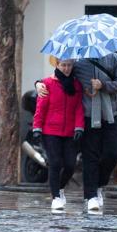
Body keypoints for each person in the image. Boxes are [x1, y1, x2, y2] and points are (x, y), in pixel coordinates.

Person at [36, 53, 117, 211]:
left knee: (112, 154)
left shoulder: (116, 59)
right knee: (90, 156)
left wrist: (104, 85)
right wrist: (38, 84)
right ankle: (91, 196)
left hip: (113, 114)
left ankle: (100, 184)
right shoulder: (78, 63)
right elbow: (60, 76)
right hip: (88, 115)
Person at [32, 57, 84, 210]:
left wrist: (79, 127)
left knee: (70, 165)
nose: (66, 68)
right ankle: (55, 197)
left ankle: (60, 188)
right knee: (55, 163)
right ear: (57, 65)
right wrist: (37, 128)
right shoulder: (47, 84)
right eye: (63, 65)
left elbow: (79, 108)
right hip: (51, 131)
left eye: (69, 65)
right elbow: (41, 108)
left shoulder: (76, 85)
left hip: (69, 132)